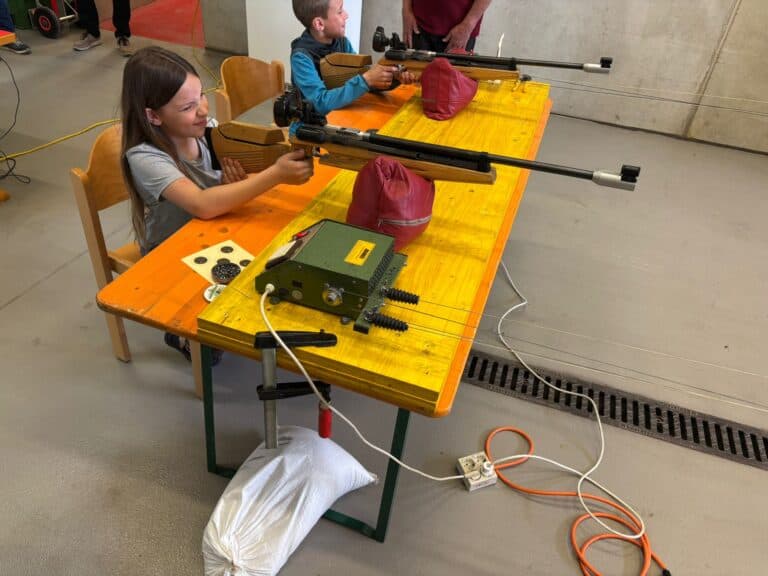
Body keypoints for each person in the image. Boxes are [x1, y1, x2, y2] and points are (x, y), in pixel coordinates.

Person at [120, 46, 313, 361]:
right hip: (170, 249)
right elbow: (201, 204)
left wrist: (232, 181)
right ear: (153, 116)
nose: (201, 110)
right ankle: (177, 334)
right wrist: (275, 174)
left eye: (201, 96)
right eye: (187, 107)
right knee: (210, 350)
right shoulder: (144, 156)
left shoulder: (205, 129)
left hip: (213, 232)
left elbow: (217, 188)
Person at [290, 0, 415, 117]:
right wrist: (366, 80)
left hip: (341, 115)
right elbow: (320, 103)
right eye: (340, 12)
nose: (346, 15)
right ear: (319, 24)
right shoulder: (301, 58)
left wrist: (392, 77)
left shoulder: (342, 42)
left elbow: (361, 82)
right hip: (310, 126)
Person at [402, 0, 492, 52]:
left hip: (458, 33)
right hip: (418, 26)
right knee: (413, 78)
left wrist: (467, 25)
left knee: (453, 79)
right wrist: (406, 10)